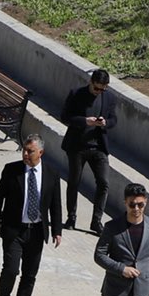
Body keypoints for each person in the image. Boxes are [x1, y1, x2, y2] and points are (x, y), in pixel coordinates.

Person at [0, 134, 60, 296]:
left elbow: (55, 204)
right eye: (24, 150)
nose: (26, 154)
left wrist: (57, 231)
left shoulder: (51, 174)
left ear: (41, 153)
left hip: (36, 231)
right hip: (14, 230)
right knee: (10, 270)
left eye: (30, 151)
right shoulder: (12, 170)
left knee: (30, 274)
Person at [59, 68, 117, 233]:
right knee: (74, 181)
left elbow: (114, 119)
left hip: (98, 146)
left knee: (104, 182)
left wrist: (106, 123)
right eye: (96, 88)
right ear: (90, 82)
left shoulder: (110, 98)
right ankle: (71, 216)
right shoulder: (76, 94)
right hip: (77, 145)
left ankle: (96, 220)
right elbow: (65, 117)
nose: (99, 92)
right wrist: (85, 121)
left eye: (103, 89)